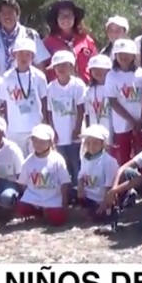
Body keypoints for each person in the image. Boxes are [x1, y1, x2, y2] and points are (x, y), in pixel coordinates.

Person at [15, 124, 71, 226]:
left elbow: (65, 182)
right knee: (21, 208)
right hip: (34, 196)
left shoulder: (57, 159)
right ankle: (39, 210)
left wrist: (63, 203)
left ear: (50, 142)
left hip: (52, 197)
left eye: (42, 141)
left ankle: (47, 210)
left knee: (58, 219)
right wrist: (27, 196)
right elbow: (22, 182)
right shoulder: (28, 160)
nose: (37, 144)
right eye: (35, 141)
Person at [1, 37, 48, 156]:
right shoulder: (7, 77)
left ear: (32, 56)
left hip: (35, 128)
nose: (24, 57)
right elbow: (5, 104)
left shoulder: (39, 76)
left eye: (27, 54)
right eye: (20, 53)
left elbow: (44, 101)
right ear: (14, 55)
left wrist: (45, 124)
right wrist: (6, 125)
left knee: (36, 161)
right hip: (14, 129)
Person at [46, 50, 87, 184]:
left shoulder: (78, 84)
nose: (61, 69)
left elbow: (81, 109)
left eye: (65, 65)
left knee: (77, 162)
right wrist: (53, 132)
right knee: (63, 164)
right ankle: (67, 191)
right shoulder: (51, 87)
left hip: (74, 134)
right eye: (58, 66)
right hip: (59, 134)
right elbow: (50, 111)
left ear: (72, 66)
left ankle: (78, 189)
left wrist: (77, 129)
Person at [0, 0, 50, 75]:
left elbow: (40, 64)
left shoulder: (30, 35)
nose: (7, 16)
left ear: (18, 15)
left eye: (10, 12)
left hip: (24, 85)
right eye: (3, 13)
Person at [107, 39, 142, 165]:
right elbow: (113, 101)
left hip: (140, 123)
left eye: (127, 53)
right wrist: (131, 120)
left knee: (141, 156)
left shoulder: (141, 74)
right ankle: (126, 182)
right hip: (122, 124)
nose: (123, 57)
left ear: (134, 55)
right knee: (124, 157)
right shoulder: (112, 75)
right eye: (120, 54)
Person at [42, 0, 98, 83]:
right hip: (58, 91)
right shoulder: (47, 43)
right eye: (61, 16)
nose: (65, 19)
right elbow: (41, 70)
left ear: (75, 18)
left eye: (69, 15)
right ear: (56, 19)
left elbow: (96, 64)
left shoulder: (86, 40)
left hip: (85, 88)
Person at [76, 124, 119, 224]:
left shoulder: (108, 161)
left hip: (102, 198)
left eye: (95, 143)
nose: (91, 146)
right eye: (88, 143)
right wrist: (80, 187)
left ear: (103, 144)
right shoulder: (85, 158)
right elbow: (80, 176)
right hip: (89, 196)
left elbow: (109, 186)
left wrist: (104, 204)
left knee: (99, 216)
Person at [85, 55, 114, 153]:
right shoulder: (89, 90)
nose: (97, 72)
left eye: (101, 69)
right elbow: (88, 115)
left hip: (111, 132)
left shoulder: (113, 88)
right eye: (94, 69)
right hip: (95, 134)